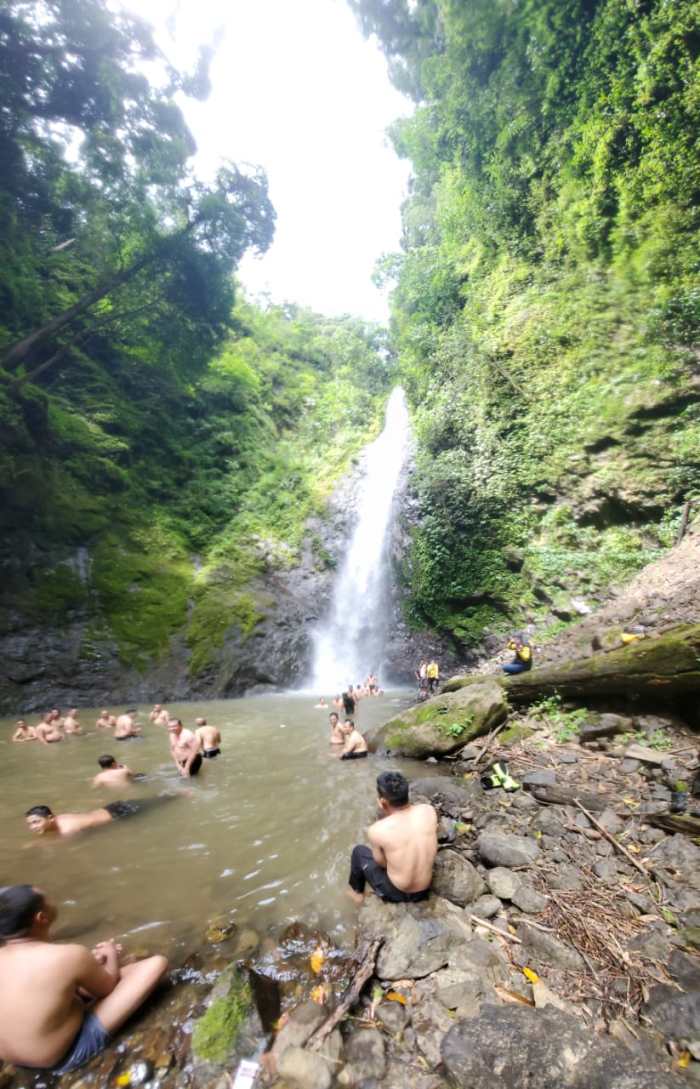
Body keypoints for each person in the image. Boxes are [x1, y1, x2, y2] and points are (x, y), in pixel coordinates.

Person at [0, 884, 168, 1074]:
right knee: (155, 964)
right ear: (42, 917)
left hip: (17, 1060)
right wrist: (111, 955)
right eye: (47, 899)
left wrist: (87, 966)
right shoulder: (68, 955)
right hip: (61, 1059)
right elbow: (108, 987)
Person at [347, 772, 437, 905]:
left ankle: (357, 894)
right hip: (424, 890)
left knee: (359, 852)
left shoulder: (377, 830)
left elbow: (382, 863)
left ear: (382, 802)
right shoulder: (428, 811)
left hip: (398, 893)